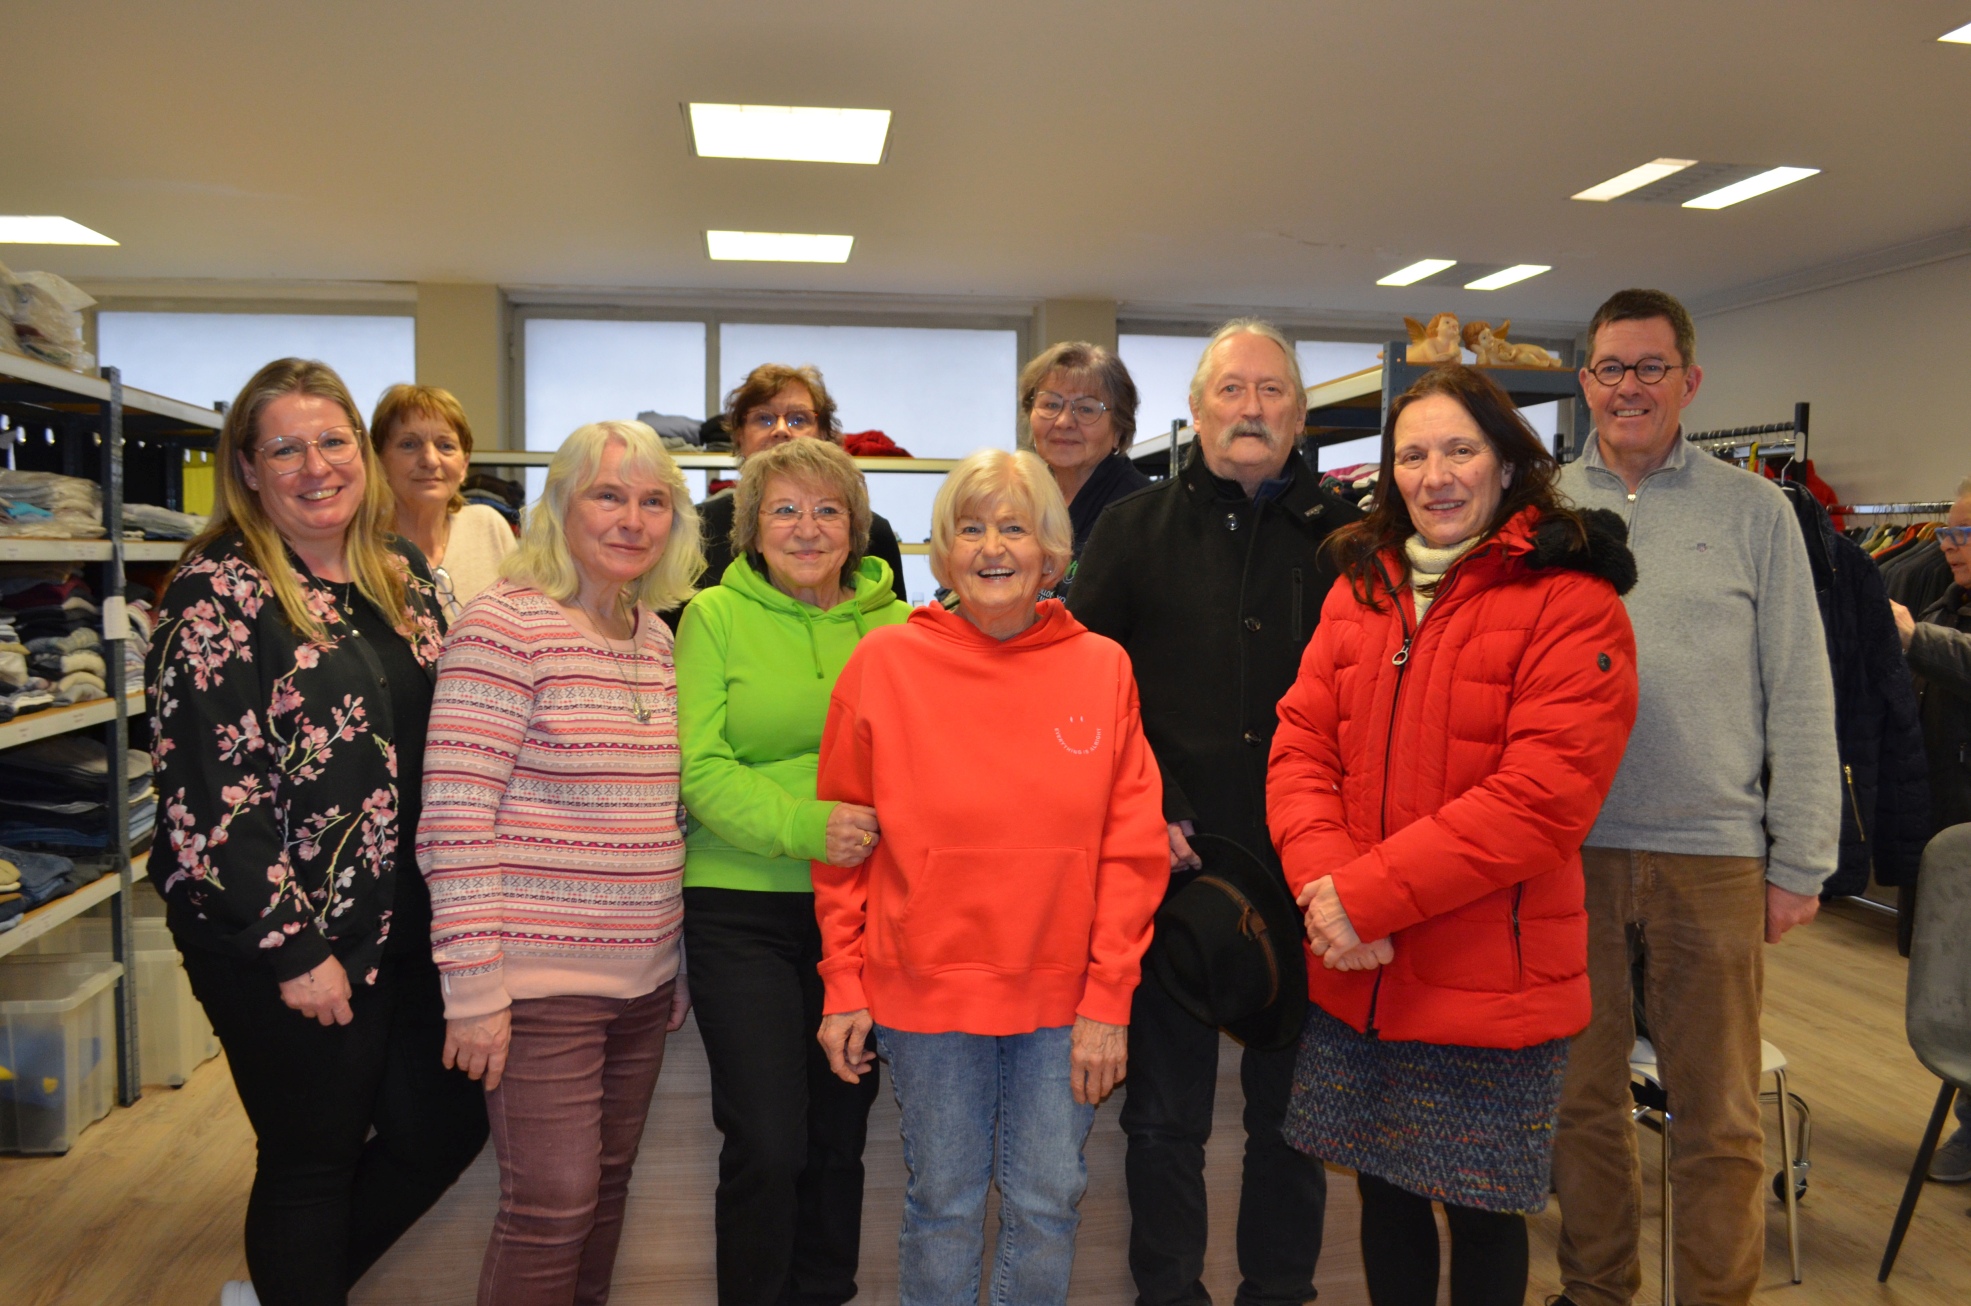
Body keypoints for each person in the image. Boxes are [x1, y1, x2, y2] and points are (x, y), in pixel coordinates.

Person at [1268, 365, 1640, 1306]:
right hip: (1363, 963)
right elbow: (1300, 746)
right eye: (1412, 454)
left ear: (1509, 465)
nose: (1434, 475)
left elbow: (1542, 799)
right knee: (1386, 1197)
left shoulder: (1571, 599)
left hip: (1487, 972)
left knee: (1482, 1210)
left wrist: (1361, 899)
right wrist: (1326, 888)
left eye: (1459, 450)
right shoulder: (1361, 589)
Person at [146, 358, 485, 1306]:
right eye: (284, 448)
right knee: (312, 1156)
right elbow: (211, 802)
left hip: (404, 915)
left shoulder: (405, 573)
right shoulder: (215, 594)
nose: (316, 465)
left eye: (332, 441)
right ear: (247, 468)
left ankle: (293, 1293)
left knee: (443, 1129)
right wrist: (294, 948)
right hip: (277, 934)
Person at [812, 448, 1168, 1306]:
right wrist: (843, 983)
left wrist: (1110, 997)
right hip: (925, 989)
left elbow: (1132, 845)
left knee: (1049, 1202)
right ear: (941, 553)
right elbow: (842, 843)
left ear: (1052, 550)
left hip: (1065, 1002)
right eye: (968, 529)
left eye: (1013, 526)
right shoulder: (884, 664)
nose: (991, 547)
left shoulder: (1102, 666)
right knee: (943, 1203)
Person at [1552, 289, 1839, 1306]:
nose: (1629, 387)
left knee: (1718, 1118)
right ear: (1584, 381)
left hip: (1714, 853)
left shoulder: (1757, 512)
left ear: (1691, 381)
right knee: (1580, 1105)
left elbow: (1801, 684)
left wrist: (1801, 856)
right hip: (1568, 855)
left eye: (1650, 367)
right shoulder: (1540, 511)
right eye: (1610, 369)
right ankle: (1595, 1291)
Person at [1068, 318, 1357, 1306]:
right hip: (1169, 861)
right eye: (1231, 391)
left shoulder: (1344, 537)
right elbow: (1085, 685)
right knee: (1164, 1118)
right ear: (1196, 412)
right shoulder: (1130, 529)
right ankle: (1169, 1292)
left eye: (1272, 391)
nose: (1252, 408)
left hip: (1307, 868)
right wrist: (1153, 802)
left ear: (1299, 414)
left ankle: (1280, 1290)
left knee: (1294, 1119)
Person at [417, 420, 703, 1306]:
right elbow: (454, 816)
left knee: (603, 1194)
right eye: (607, 495)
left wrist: (674, 958)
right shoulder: (503, 625)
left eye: (654, 500)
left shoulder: (651, 633)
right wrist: (473, 989)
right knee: (550, 1204)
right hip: (537, 988)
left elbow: (662, 812)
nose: (632, 519)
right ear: (559, 507)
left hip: (643, 979)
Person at [674, 437, 911, 1304]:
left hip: (862, 911)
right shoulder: (712, 617)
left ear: (857, 528)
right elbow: (698, 770)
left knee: (837, 1139)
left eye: (826, 510)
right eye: (783, 509)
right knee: (767, 1141)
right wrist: (809, 826)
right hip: (741, 905)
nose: (806, 528)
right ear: (750, 528)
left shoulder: (902, 629)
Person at [1891, 480, 1971, 1181]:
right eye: (1945, 533)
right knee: (1958, 978)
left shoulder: (1933, 621)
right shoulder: (1944, 599)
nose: (1948, 546)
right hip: (1948, 826)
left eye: (1963, 534)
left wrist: (1915, 638)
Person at [693, 363, 907, 605]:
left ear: (824, 435)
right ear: (739, 435)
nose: (781, 430)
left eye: (798, 419)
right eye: (763, 418)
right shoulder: (697, 528)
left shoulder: (872, 532)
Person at [1018, 340, 1151, 600]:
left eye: (1086, 409)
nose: (1065, 421)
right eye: (1051, 405)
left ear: (1119, 429)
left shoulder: (1144, 515)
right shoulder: (1020, 498)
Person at [371, 383, 516, 617]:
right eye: (409, 444)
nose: (430, 460)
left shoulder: (489, 527)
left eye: (445, 446)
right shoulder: (361, 547)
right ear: (379, 461)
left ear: (464, 465)